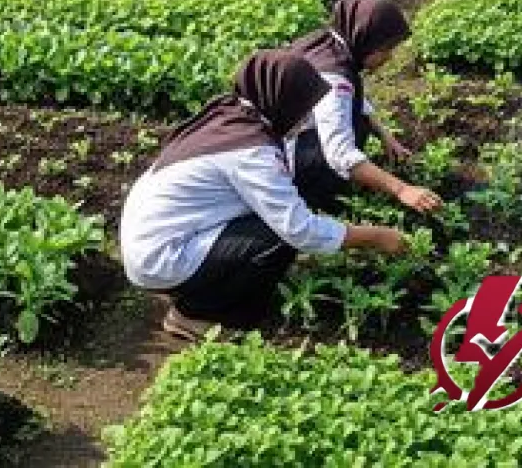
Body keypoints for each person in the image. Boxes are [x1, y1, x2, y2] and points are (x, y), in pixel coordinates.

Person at [120, 50, 409, 341]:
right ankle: (194, 314)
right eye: (303, 107)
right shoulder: (251, 152)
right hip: (159, 257)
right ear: (282, 100)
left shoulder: (235, 114)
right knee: (277, 237)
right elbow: (300, 230)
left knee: (277, 220)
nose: (307, 116)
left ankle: (198, 286)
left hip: (158, 237)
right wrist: (377, 237)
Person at [288, 0, 442, 217]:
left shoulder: (328, 42)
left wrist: (385, 135)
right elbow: (339, 152)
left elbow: (352, 100)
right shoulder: (334, 77)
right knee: (352, 132)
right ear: (364, 38)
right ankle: (321, 199)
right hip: (288, 160)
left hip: (288, 136)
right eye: (385, 49)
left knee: (359, 119)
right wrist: (402, 189)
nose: (389, 58)